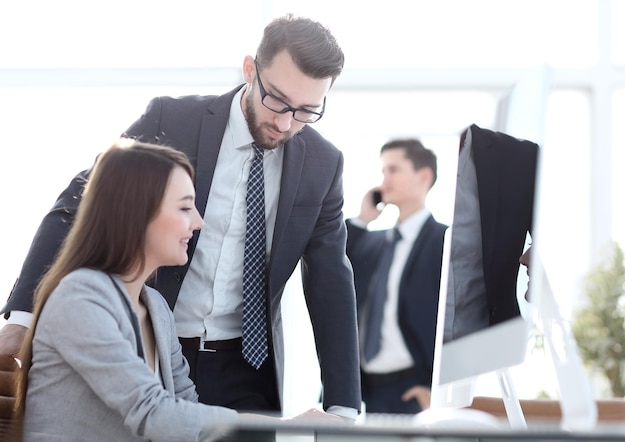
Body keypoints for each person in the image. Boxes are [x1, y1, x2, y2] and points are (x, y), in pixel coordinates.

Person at [0, 14, 360, 421]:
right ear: (249, 70)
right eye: (276, 100)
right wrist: (24, 317)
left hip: (249, 366)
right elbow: (83, 200)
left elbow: (331, 279)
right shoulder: (172, 121)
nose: (284, 122)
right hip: (154, 349)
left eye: (305, 111)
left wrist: (343, 406)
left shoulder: (323, 163)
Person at [12, 140, 239, 440]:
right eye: (185, 207)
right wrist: (283, 426)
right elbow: (152, 411)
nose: (198, 222)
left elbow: (184, 407)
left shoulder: (156, 307)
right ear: (136, 213)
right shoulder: (80, 299)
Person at [345, 139, 447, 414]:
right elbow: (333, 265)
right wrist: (363, 219)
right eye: (382, 172)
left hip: (415, 390)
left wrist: (434, 388)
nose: (384, 180)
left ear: (423, 176)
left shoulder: (445, 241)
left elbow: (457, 317)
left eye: (393, 170)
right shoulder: (372, 242)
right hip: (368, 392)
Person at [444, 123, 538, 342]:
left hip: (493, 350)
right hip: (414, 361)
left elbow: (557, 249)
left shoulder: (520, 158)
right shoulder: (396, 157)